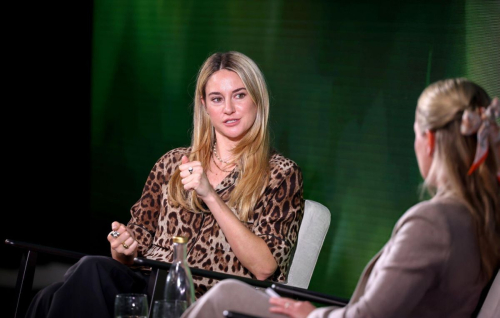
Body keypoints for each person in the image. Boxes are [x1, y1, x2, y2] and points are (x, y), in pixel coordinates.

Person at [181, 78, 500, 318]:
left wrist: (312, 315)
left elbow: (366, 317)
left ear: (428, 140)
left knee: (225, 296)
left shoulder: (432, 223)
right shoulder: (484, 218)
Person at [26, 51, 304, 318]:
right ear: (205, 106)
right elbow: (136, 245)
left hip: (210, 295)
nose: (229, 109)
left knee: (75, 281)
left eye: (239, 95)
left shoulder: (280, 174)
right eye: (217, 99)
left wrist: (211, 196)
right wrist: (122, 247)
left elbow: (265, 267)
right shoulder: (172, 163)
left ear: (257, 99)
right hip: (149, 284)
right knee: (58, 290)